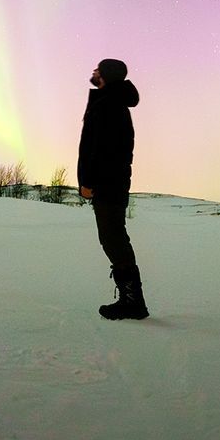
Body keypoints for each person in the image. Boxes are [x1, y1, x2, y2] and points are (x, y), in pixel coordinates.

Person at [77, 58, 148, 321]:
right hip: (110, 183)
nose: (93, 71)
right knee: (113, 238)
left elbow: (104, 150)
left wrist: (89, 182)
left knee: (113, 238)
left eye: (98, 69)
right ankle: (131, 300)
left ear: (106, 75)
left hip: (109, 184)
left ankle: (133, 302)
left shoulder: (109, 105)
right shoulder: (108, 102)